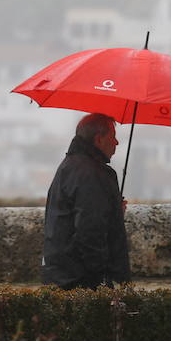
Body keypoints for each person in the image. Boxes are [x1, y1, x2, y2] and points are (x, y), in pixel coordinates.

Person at [42, 112, 131, 290]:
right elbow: (90, 229)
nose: (116, 143)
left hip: (61, 273)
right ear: (99, 139)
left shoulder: (70, 166)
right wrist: (101, 279)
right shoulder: (91, 174)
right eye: (112, 137)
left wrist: (113, 211)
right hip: (81, 279)